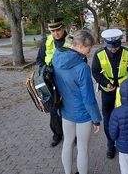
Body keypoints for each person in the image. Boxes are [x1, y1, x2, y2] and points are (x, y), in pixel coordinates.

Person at [52, 30, 102, 174]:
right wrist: (96, 119)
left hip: (66, 110)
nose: (89, 51)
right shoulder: (82, 68)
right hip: (82, 113)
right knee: (82, 147)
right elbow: (88, 98)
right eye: (88, 47)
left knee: (67, 143)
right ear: (80, 45)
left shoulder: (57, 57)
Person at [91, 28, 128, 159]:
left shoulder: (127, 53)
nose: (114, 49)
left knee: (125, 117)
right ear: (106, 43)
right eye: (111, 47)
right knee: (108, 118)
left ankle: (123, 141)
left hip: (124, 93)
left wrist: (127, 85)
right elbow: (95, 72)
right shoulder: (99, 54)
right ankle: (110, 144)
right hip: (108, 92)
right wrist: (106, 83)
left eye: (116, 47)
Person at [36, 17, 69, 147]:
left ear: (63, 28)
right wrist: (44, 71)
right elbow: (39, 60)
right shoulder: (47, 41)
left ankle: (74, 135)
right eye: (53, 31)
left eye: (58, 30)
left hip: (67, 81)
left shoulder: (71, 41)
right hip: (52, 81)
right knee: (54, 109)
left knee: (70, 108)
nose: (56, 33)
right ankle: (57, 135)